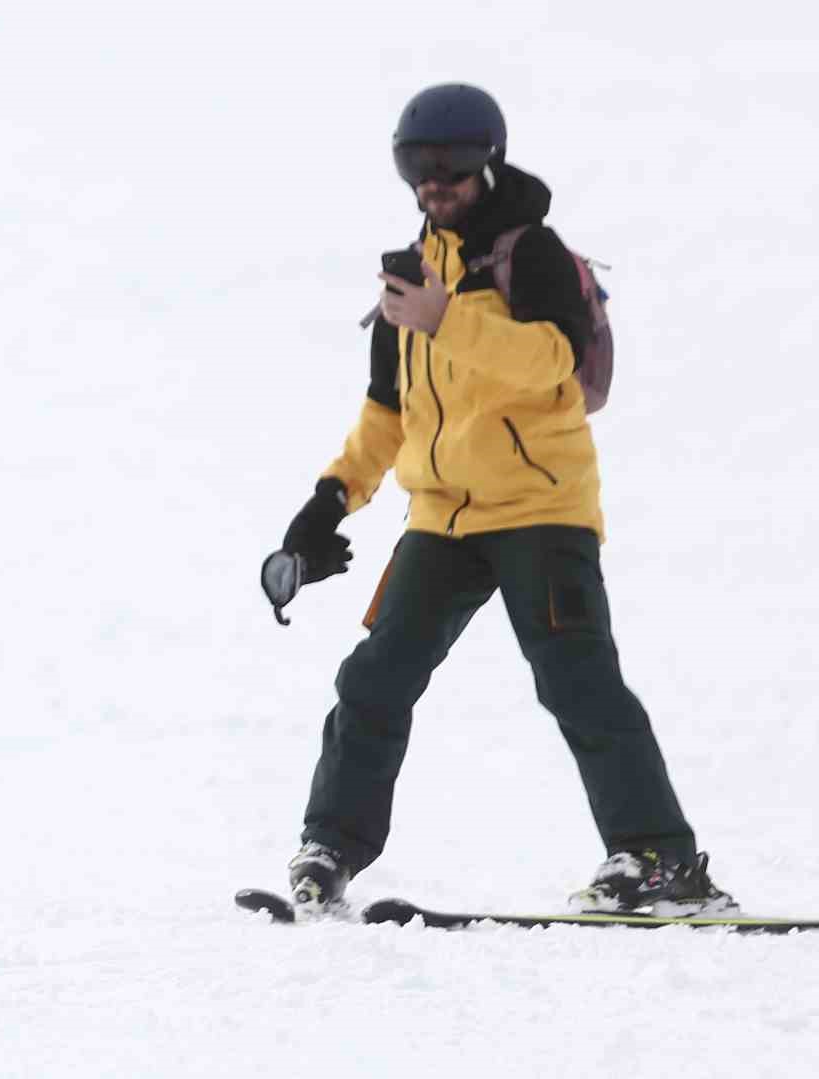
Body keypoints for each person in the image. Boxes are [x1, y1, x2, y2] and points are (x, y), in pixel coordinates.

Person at [276, 83, 734, 916]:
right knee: (375, 676)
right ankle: (329, 848)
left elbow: (550, 361)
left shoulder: (531, 255)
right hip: (442, 519)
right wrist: (327, 503)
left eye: (449, 164)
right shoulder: (409, 280)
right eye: (418, 165)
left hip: (540, 508)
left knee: (577, 678)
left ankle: (660, 859)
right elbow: (389, 411)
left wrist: (447, 317)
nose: (434, 181)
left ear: (486, 160)